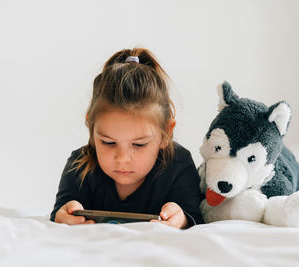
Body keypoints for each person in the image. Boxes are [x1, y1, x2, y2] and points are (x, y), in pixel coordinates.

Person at [50, 48, 203, 229]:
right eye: (108, 142)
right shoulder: (79, 164)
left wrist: (181, 217)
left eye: (139, 144)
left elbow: (195, 217)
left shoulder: (178, 163)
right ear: (91, 129)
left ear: (166, 134)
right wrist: (66, 214)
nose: (122, 158)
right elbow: (60, 213)